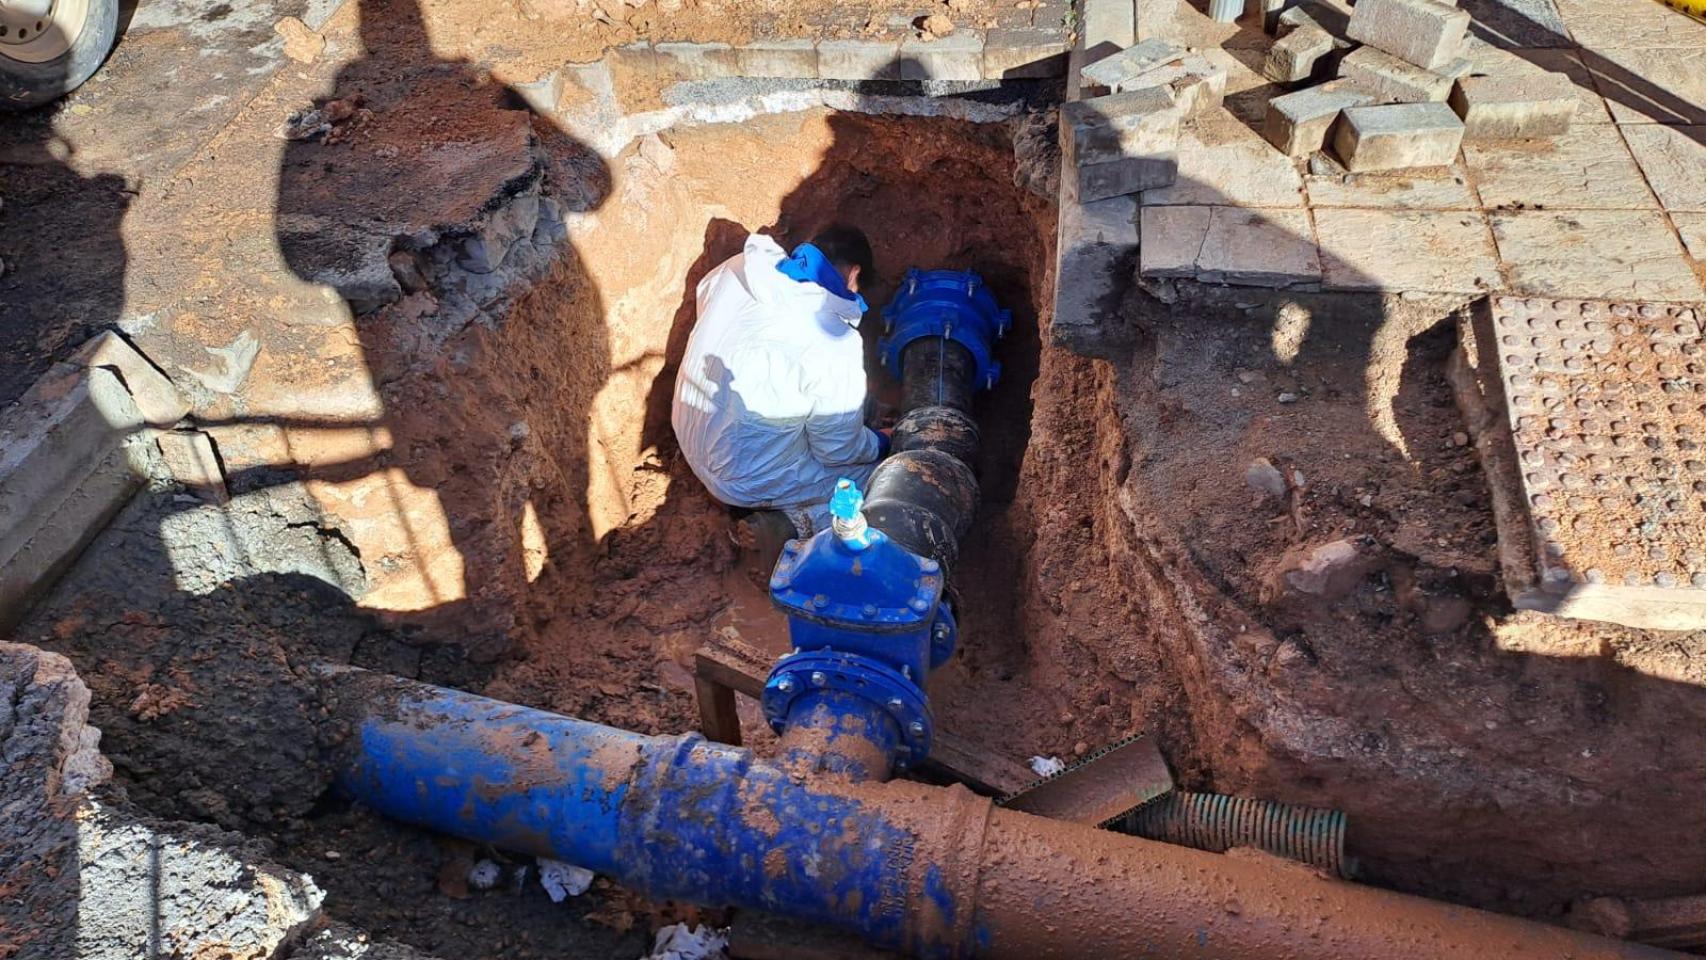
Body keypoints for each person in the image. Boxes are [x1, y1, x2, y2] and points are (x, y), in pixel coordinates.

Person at [672, 224, 890, 540]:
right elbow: (837, 451)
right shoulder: (833, 341)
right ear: (854, 275)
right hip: (739, 477)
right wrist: (880, 442)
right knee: (877, 477)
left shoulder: (738, 267)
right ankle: (784, 526)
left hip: (690, 431)